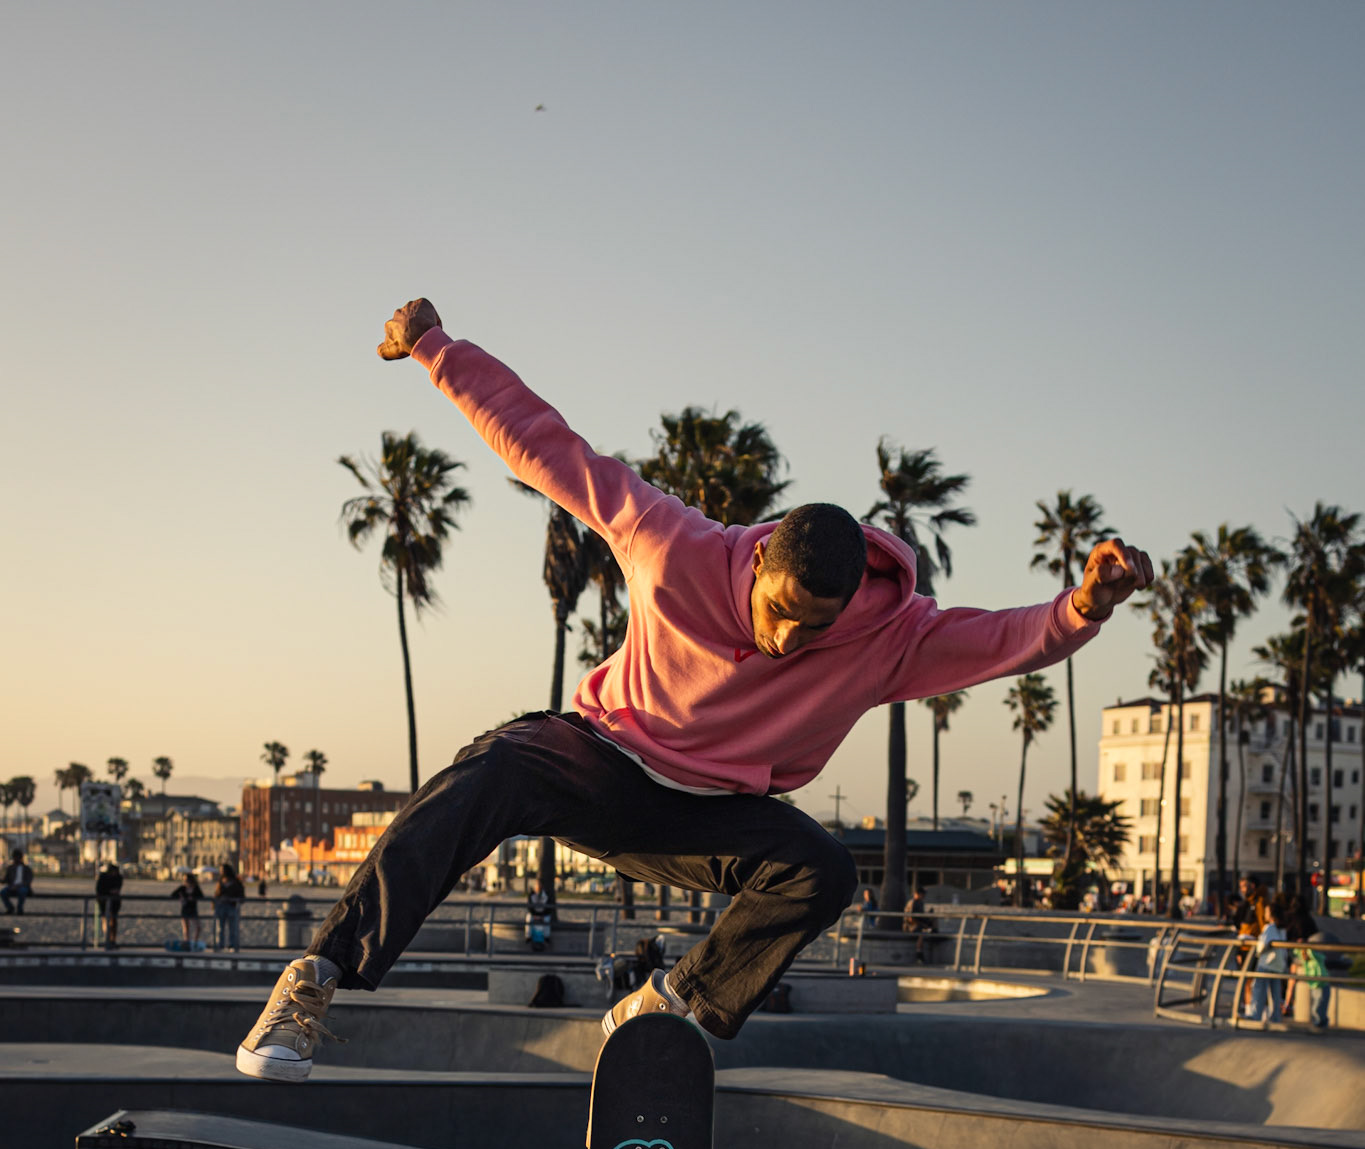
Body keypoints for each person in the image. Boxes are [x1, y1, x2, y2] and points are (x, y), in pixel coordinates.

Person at [236, 295, 1153, 1080]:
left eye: (814, 625)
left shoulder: (891, 635)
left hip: (708, 816)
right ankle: (314, 982)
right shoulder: (672, 544)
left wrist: (1083, 603)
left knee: (821, 871)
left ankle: (670, 1006)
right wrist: (436, 348)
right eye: (781, 612)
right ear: (757, 566)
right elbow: (549, 449)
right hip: (599, 759)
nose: (788, 637)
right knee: (477, 779)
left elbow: (1004, 640)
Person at [1285, 892, 1331, 1031]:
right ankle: (1289, 1004)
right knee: (1299, 981)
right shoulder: (1308, 920)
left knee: (1292, 981)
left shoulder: (1290, 918)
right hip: (1307, 954)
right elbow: (1314, 936)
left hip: (1295, 953)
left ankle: (1287, 1004)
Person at [1247, 892, 1290, 1025]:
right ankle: (1275, 1017)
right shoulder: (1282, 929)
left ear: (1271, 913)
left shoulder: (1269, 928)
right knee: (1275, 993)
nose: (1264, 914)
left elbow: (1262, 946)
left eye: (1266, 911)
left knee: (1259, 989)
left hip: (1266, 964)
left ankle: (1256, 1015)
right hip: (1278, 965)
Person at [214, 861, 245, 951]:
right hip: (221, 906)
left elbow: (241, 895)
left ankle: (232, 945)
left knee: (233, 928)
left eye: (222, 870)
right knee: (220, 928)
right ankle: (220, 945)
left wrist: (233, 899)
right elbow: (216, 894)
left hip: (232, 906)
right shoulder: (220, 882)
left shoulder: (236, 882)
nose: (220, 872)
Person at [94, 860, 123, 947]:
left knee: (113, 920)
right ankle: (108, 939)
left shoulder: (118, 878)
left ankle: (112, 940)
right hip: (104, 901)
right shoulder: (104, 877)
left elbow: (116, 889)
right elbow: (100, 889)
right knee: (106, 920)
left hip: (113, 902)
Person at [171, 870, 202, 947]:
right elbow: (173, 895)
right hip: (185, 909)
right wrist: (181, 897)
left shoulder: (195, 888)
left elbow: (201, 896)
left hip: (193, 910)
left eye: (186, 879)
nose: (185, 881)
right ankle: (187, 943)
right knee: (186, 929)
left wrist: (193, 897)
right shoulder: (182, 888)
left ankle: (195, 942)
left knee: (198, 927)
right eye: (184, 879)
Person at [2, 848, 33, 916]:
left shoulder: (26, 868)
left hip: (22, 887)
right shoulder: (10, 868)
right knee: (3, 892)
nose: (16, 859)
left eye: (17, 857)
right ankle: (10, 908)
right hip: (12, 887)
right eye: (15, 857)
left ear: (21, 858)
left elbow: (29, 880)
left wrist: (19, 885)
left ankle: (19, 909)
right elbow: (6, 879)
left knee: (22, 891)